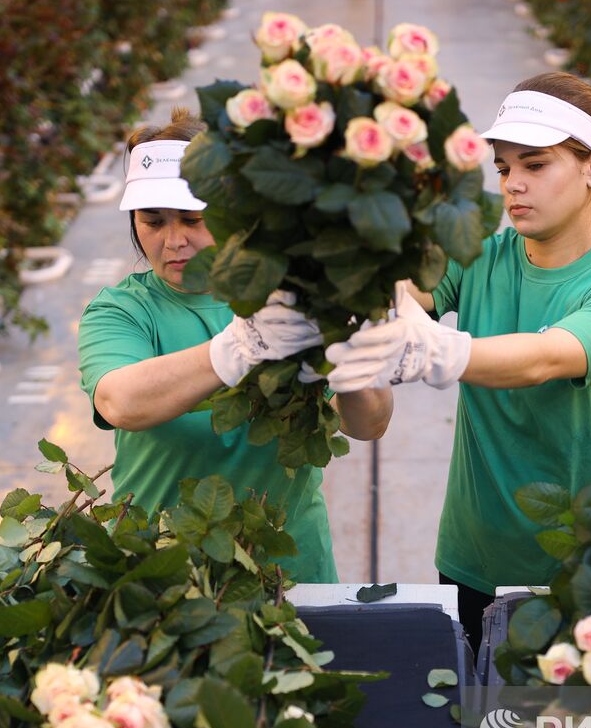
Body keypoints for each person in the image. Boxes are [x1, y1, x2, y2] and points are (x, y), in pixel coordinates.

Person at [325, 73, 591, 650]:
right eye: (503, 169)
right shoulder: (478, 256)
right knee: (474, 725)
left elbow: (542, 359)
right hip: (470, 556)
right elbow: (397, 290)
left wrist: (436, 346)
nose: (513, 185)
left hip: (572, 571)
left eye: (535, 165)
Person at [78, 108, 393, 583]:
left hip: (290, 567)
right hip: (164, 570)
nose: (172, 241)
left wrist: (346, 353)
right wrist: (243, 345)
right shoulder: (122, 311)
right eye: (154, 220)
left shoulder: (291, 297)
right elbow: (119, 401)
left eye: (192, 219)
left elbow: (370, 424)